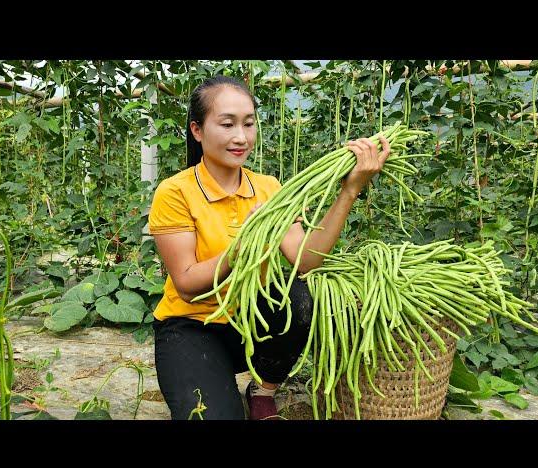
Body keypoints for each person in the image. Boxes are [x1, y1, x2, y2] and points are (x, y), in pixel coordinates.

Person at [148, 74, 390, 420]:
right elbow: (186, 285)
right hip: (193, 325)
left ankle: (263, 388)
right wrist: (246, 243)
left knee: (299, 295)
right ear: (197, 130)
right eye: (227, 124)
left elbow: (306, 260)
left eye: (249, 123)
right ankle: (213, 381)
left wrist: (350, 190)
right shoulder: (175, 192)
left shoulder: (269, 188)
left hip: (252, 322)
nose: (241, 137)